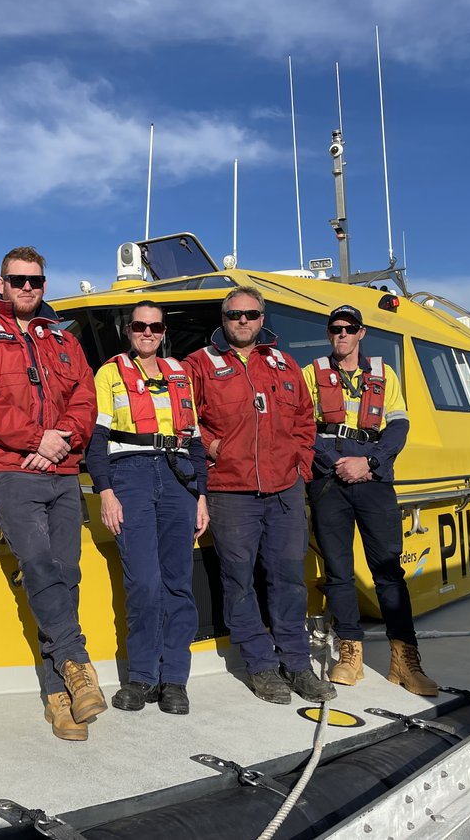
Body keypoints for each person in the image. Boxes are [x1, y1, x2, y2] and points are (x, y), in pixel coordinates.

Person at [0, 247, 103, 741]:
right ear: (1, 282)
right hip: (7, 467)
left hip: (59, 467)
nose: (27, 288)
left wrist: (56, 442)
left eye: (35, 280)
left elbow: (84, 398)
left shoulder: (64, 339)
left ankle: (58, 697)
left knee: (66, 572)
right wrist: (35, 439)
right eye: (18, 280)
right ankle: (77, 663)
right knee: (38, 565)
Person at [183, 287, 336, 706]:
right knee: (239, 582)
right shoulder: (199, 364)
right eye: (234, 315)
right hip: (231, 492)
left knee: (288, 579)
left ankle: (298, 665)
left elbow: (306, 418)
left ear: (262, 317)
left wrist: (301, 464)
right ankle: (262, 667)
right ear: (223, 318)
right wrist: (214, 449)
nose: (243, 321)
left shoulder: (284, 363)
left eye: (251, 314)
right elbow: (184, 418)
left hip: (285, 489)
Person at [302, 305, 438, 696]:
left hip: (374, 479)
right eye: (335, 329)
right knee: (339, 571)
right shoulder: (312, 374)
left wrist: (369, 462)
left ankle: (405, 661)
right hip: (329, 482)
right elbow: (302, 427)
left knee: (388, 570)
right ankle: (351, 654)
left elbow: (398, 426)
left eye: (349, 328)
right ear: (329, 334)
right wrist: (336, 464)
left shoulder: (383, 374)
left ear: (361, 333)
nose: (342, 334)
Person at [85, 301, 209, 715]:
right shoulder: (109, 373)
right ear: (128, 329)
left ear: (162, 331)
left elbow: (193, 440)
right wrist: (105, 492)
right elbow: (96, 439)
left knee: (178, 583)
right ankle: (141, 677)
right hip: (130, 478)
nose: (147, 332)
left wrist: (201, 497)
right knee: (143, 583)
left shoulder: (180, 375)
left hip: (178, 479)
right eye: (140, 325)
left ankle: (174, 679)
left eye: (155, 326)